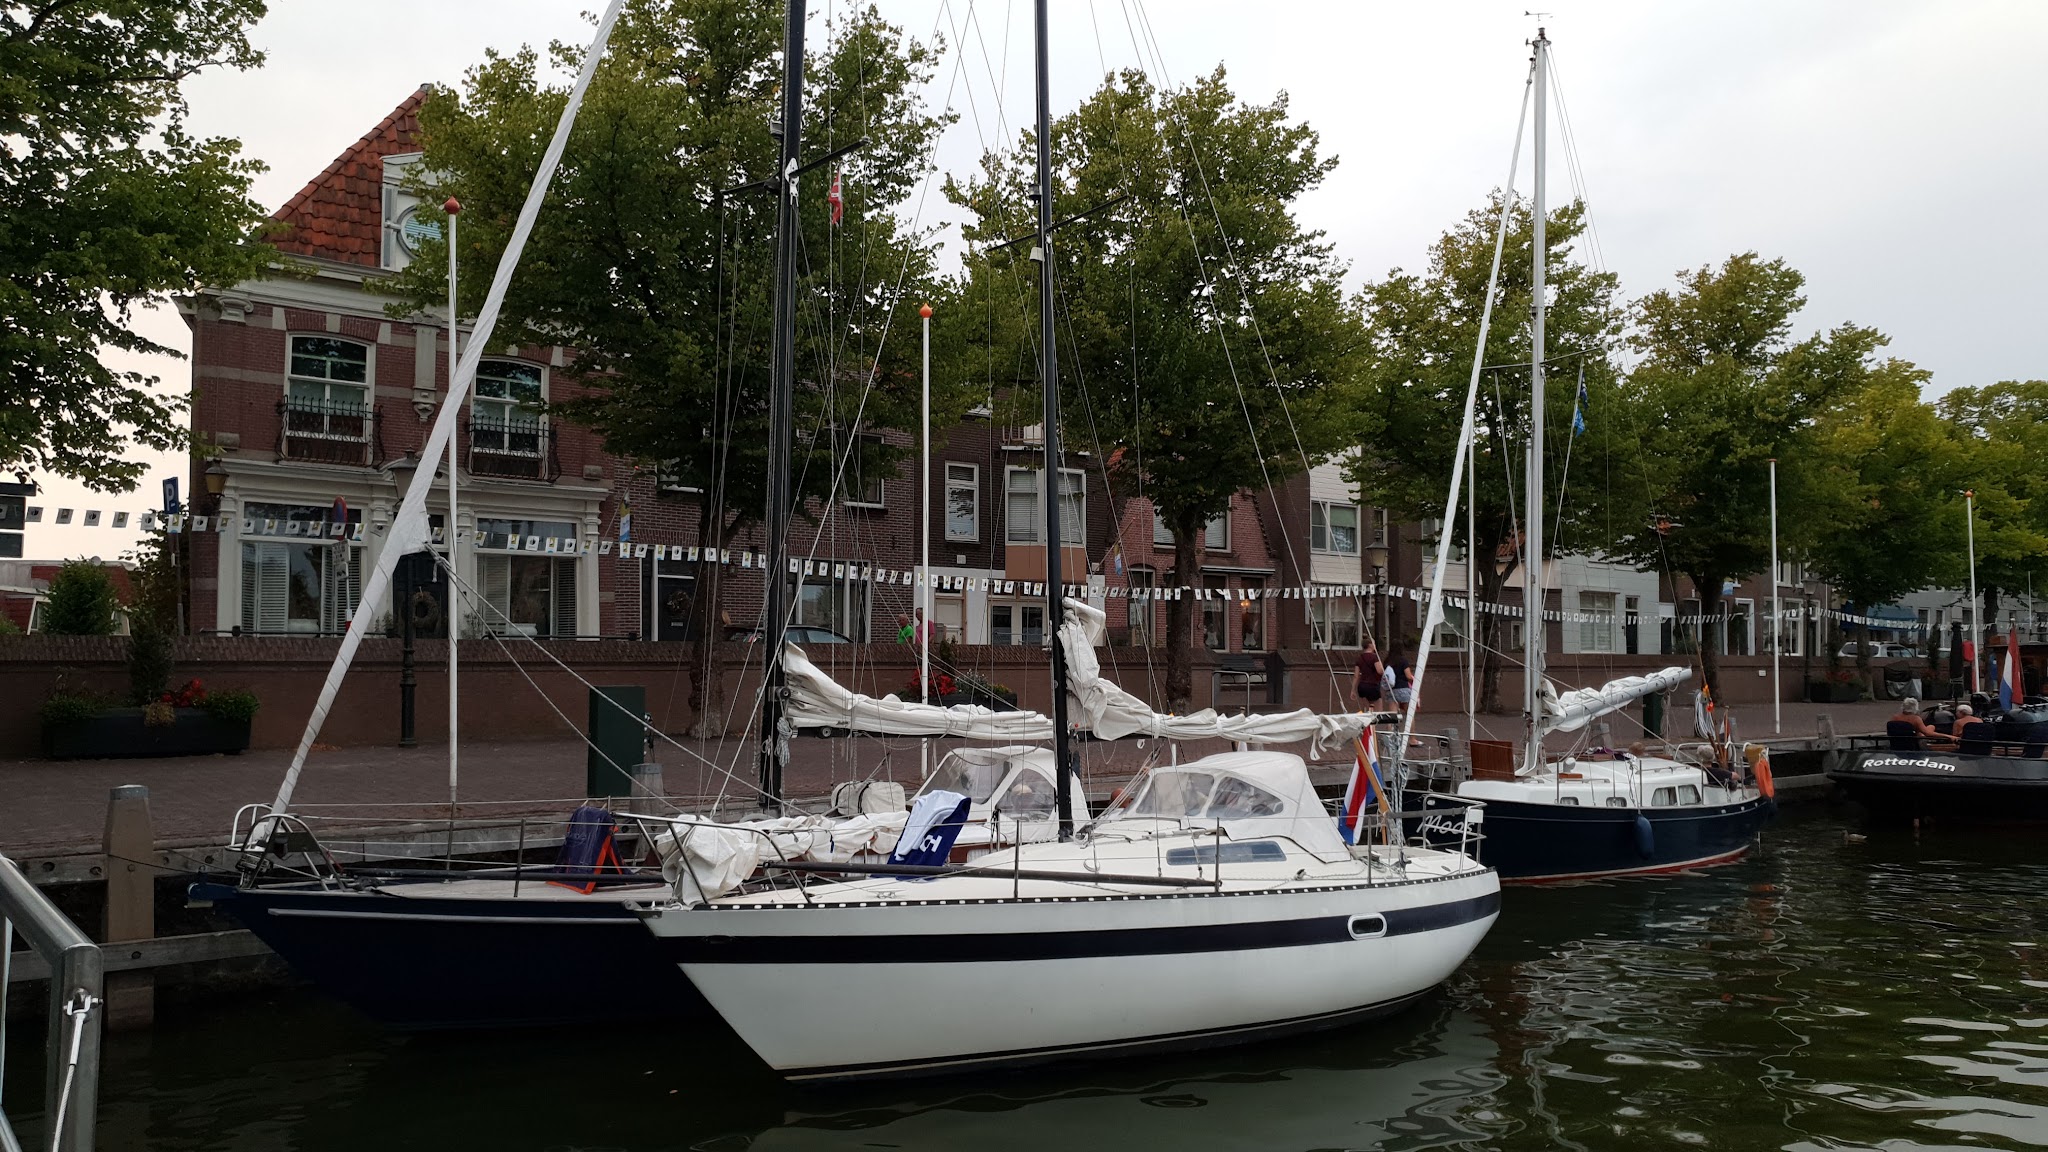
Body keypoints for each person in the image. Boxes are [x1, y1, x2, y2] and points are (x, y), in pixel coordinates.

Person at [1887, 697, 1955, 751]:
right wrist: (1949, 736)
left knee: (1930, 727)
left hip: (1896, 744)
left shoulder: (1895, 717)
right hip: (1913, 745)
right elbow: (1928, 733)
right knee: (1929, 728)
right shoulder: (1915, 719)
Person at [1384, 645, 1416, 714]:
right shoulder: (1403, 660)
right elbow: (1408, 676)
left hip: (1391, 690)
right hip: (1403, 688)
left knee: (1392, 715)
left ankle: (1390, 725)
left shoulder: (1387, 661)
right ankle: (1410, 725)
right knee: (1409, 715)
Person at [1353, 640, 1385, 707]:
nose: (1375, 645)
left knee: (1368, 708)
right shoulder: (1374, 657)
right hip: (1372, 685)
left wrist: (1353, 690)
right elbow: (1380, 671)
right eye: (1374, 643)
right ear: (1370, 645)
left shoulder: (1360, 658)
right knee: (1378, 709)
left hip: (1362, 686)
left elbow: (1356, 675)